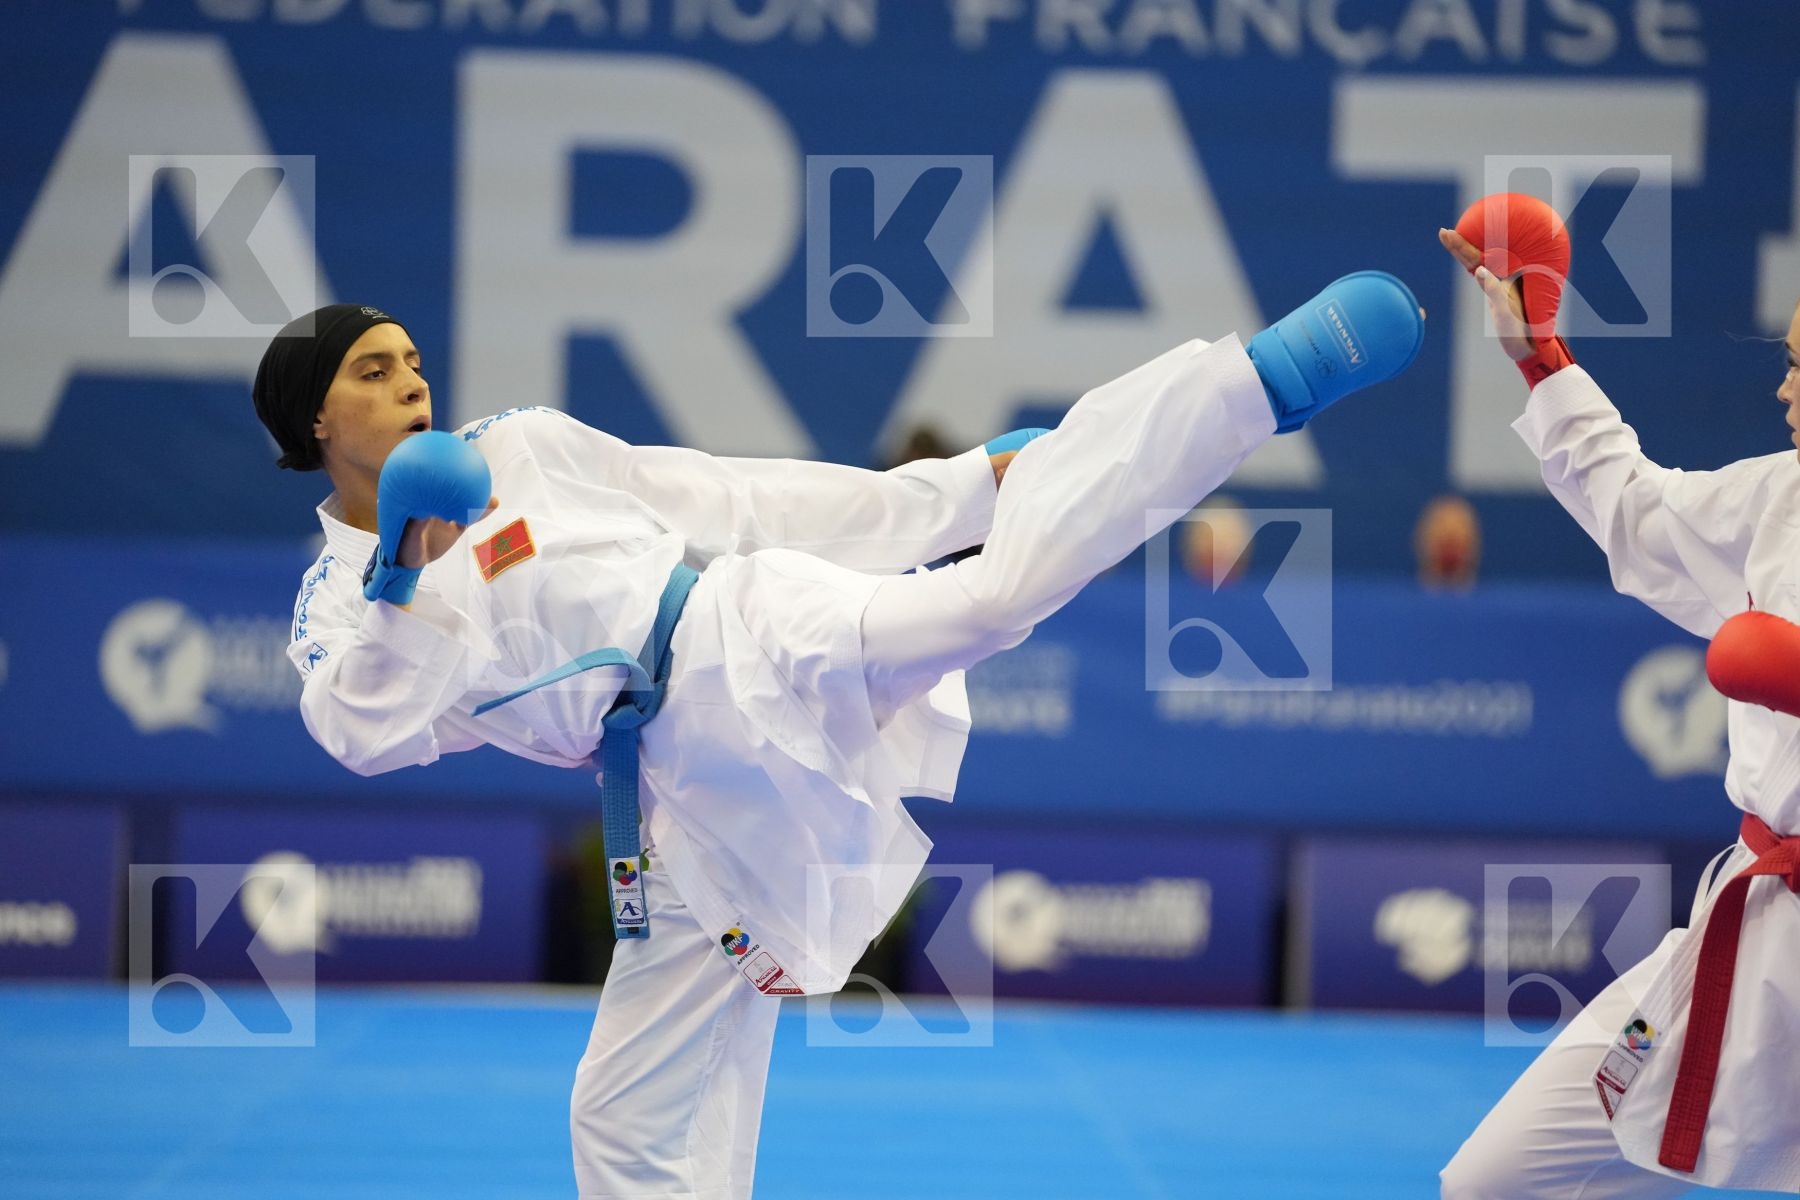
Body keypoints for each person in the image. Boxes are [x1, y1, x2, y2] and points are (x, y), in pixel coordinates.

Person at [258, 277, 1423, 1199]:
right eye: (375, 370)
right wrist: (405, 572)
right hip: (676, 801)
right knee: (622, 1115)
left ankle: (1252, 389)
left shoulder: (516, 446)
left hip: (737, 632)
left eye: (413, 358)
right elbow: (362, 730)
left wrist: (964, 488)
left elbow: (735, 497)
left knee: (981, 602)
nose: (413, 380)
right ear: (318, 419)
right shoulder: (336, 604)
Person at [1438, 196, 1800, 1196]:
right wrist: (1538, 352)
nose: (1782, 391)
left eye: (1799, 368)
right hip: (1743, 936)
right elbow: (1638, 513)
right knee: (1495, 1182)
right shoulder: (1782, 500)